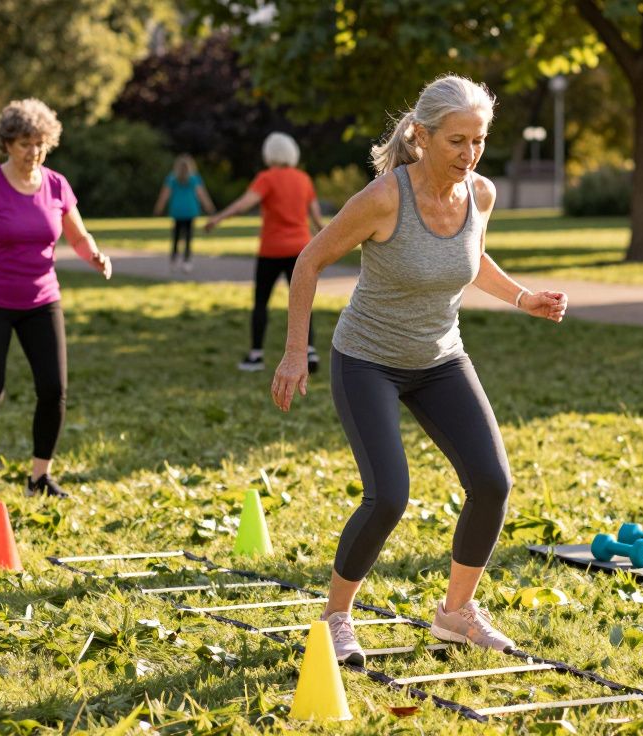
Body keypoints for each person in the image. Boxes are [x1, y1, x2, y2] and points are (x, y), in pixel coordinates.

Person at [269, 75, 568, 664]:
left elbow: (471, 258)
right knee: (388, 497)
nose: (470, 154)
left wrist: (522, 297)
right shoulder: (385, 198)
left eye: (478, 141)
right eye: (457, 141)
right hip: (367, 360)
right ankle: (336, 617)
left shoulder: (481, 195)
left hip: (439, 359)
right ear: (422, 136)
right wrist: (293, 349)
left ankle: (456, 615)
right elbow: (309, 261)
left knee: (492, 482)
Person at [0, 99, 112, 499]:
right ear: (6, 144)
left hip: (42, 299)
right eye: (23, 144)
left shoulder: (56, 184)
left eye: (39, 143)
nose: (32, 152)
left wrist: (95, 255)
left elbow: (77, 235)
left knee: (53, 388)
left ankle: (39, 478)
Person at [205, 132, 323, 373]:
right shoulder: (303, 179)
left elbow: (243, 205)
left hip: (272, 250)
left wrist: (218, 218)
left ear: (269, 154)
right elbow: (317, 220)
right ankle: (309, 351)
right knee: (303, 302)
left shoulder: (266, 178)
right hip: (301, 250)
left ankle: (256, 355)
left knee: (261, 302)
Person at [153, 154, 216, 273]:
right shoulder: (194, 178)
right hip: (190, 210)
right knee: (188, 237)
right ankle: (186, 261)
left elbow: (165, 194)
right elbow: (201, 194)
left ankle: (174, 260)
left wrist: (158, 208)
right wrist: (209, 207)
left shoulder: (172, 178)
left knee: (176, 237)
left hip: (177, 210)